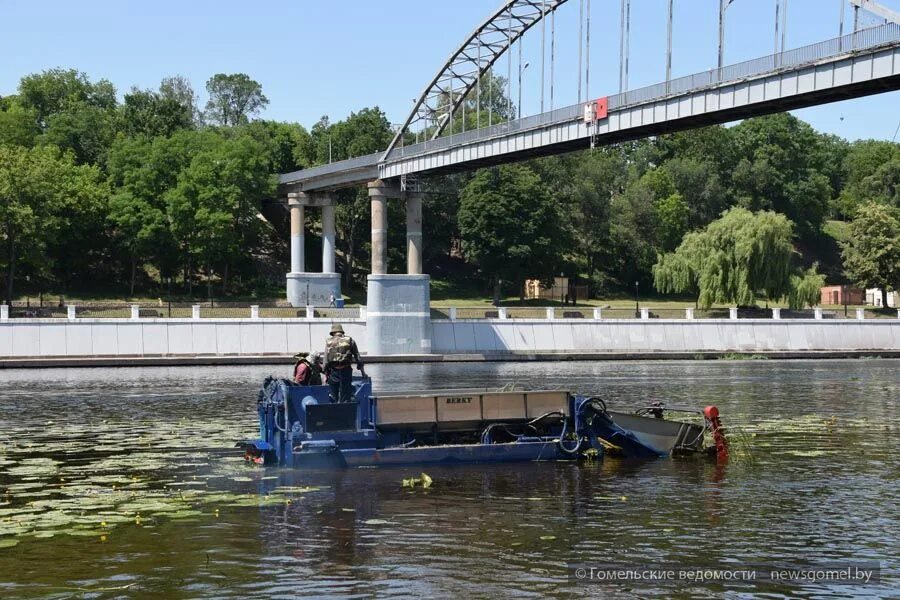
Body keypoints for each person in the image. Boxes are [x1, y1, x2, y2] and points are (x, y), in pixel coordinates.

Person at [324, 323, 366, 403]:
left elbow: (326, 360)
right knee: (346, 395)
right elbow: (358, 357)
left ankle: (334, 411)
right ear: (342, 332)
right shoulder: (350, 340)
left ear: (333, 332)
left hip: (334, 371)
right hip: (346, 370)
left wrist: (326, 375)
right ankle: (346, 410)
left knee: (333, 395)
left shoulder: (329, 342)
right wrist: (363, 373)